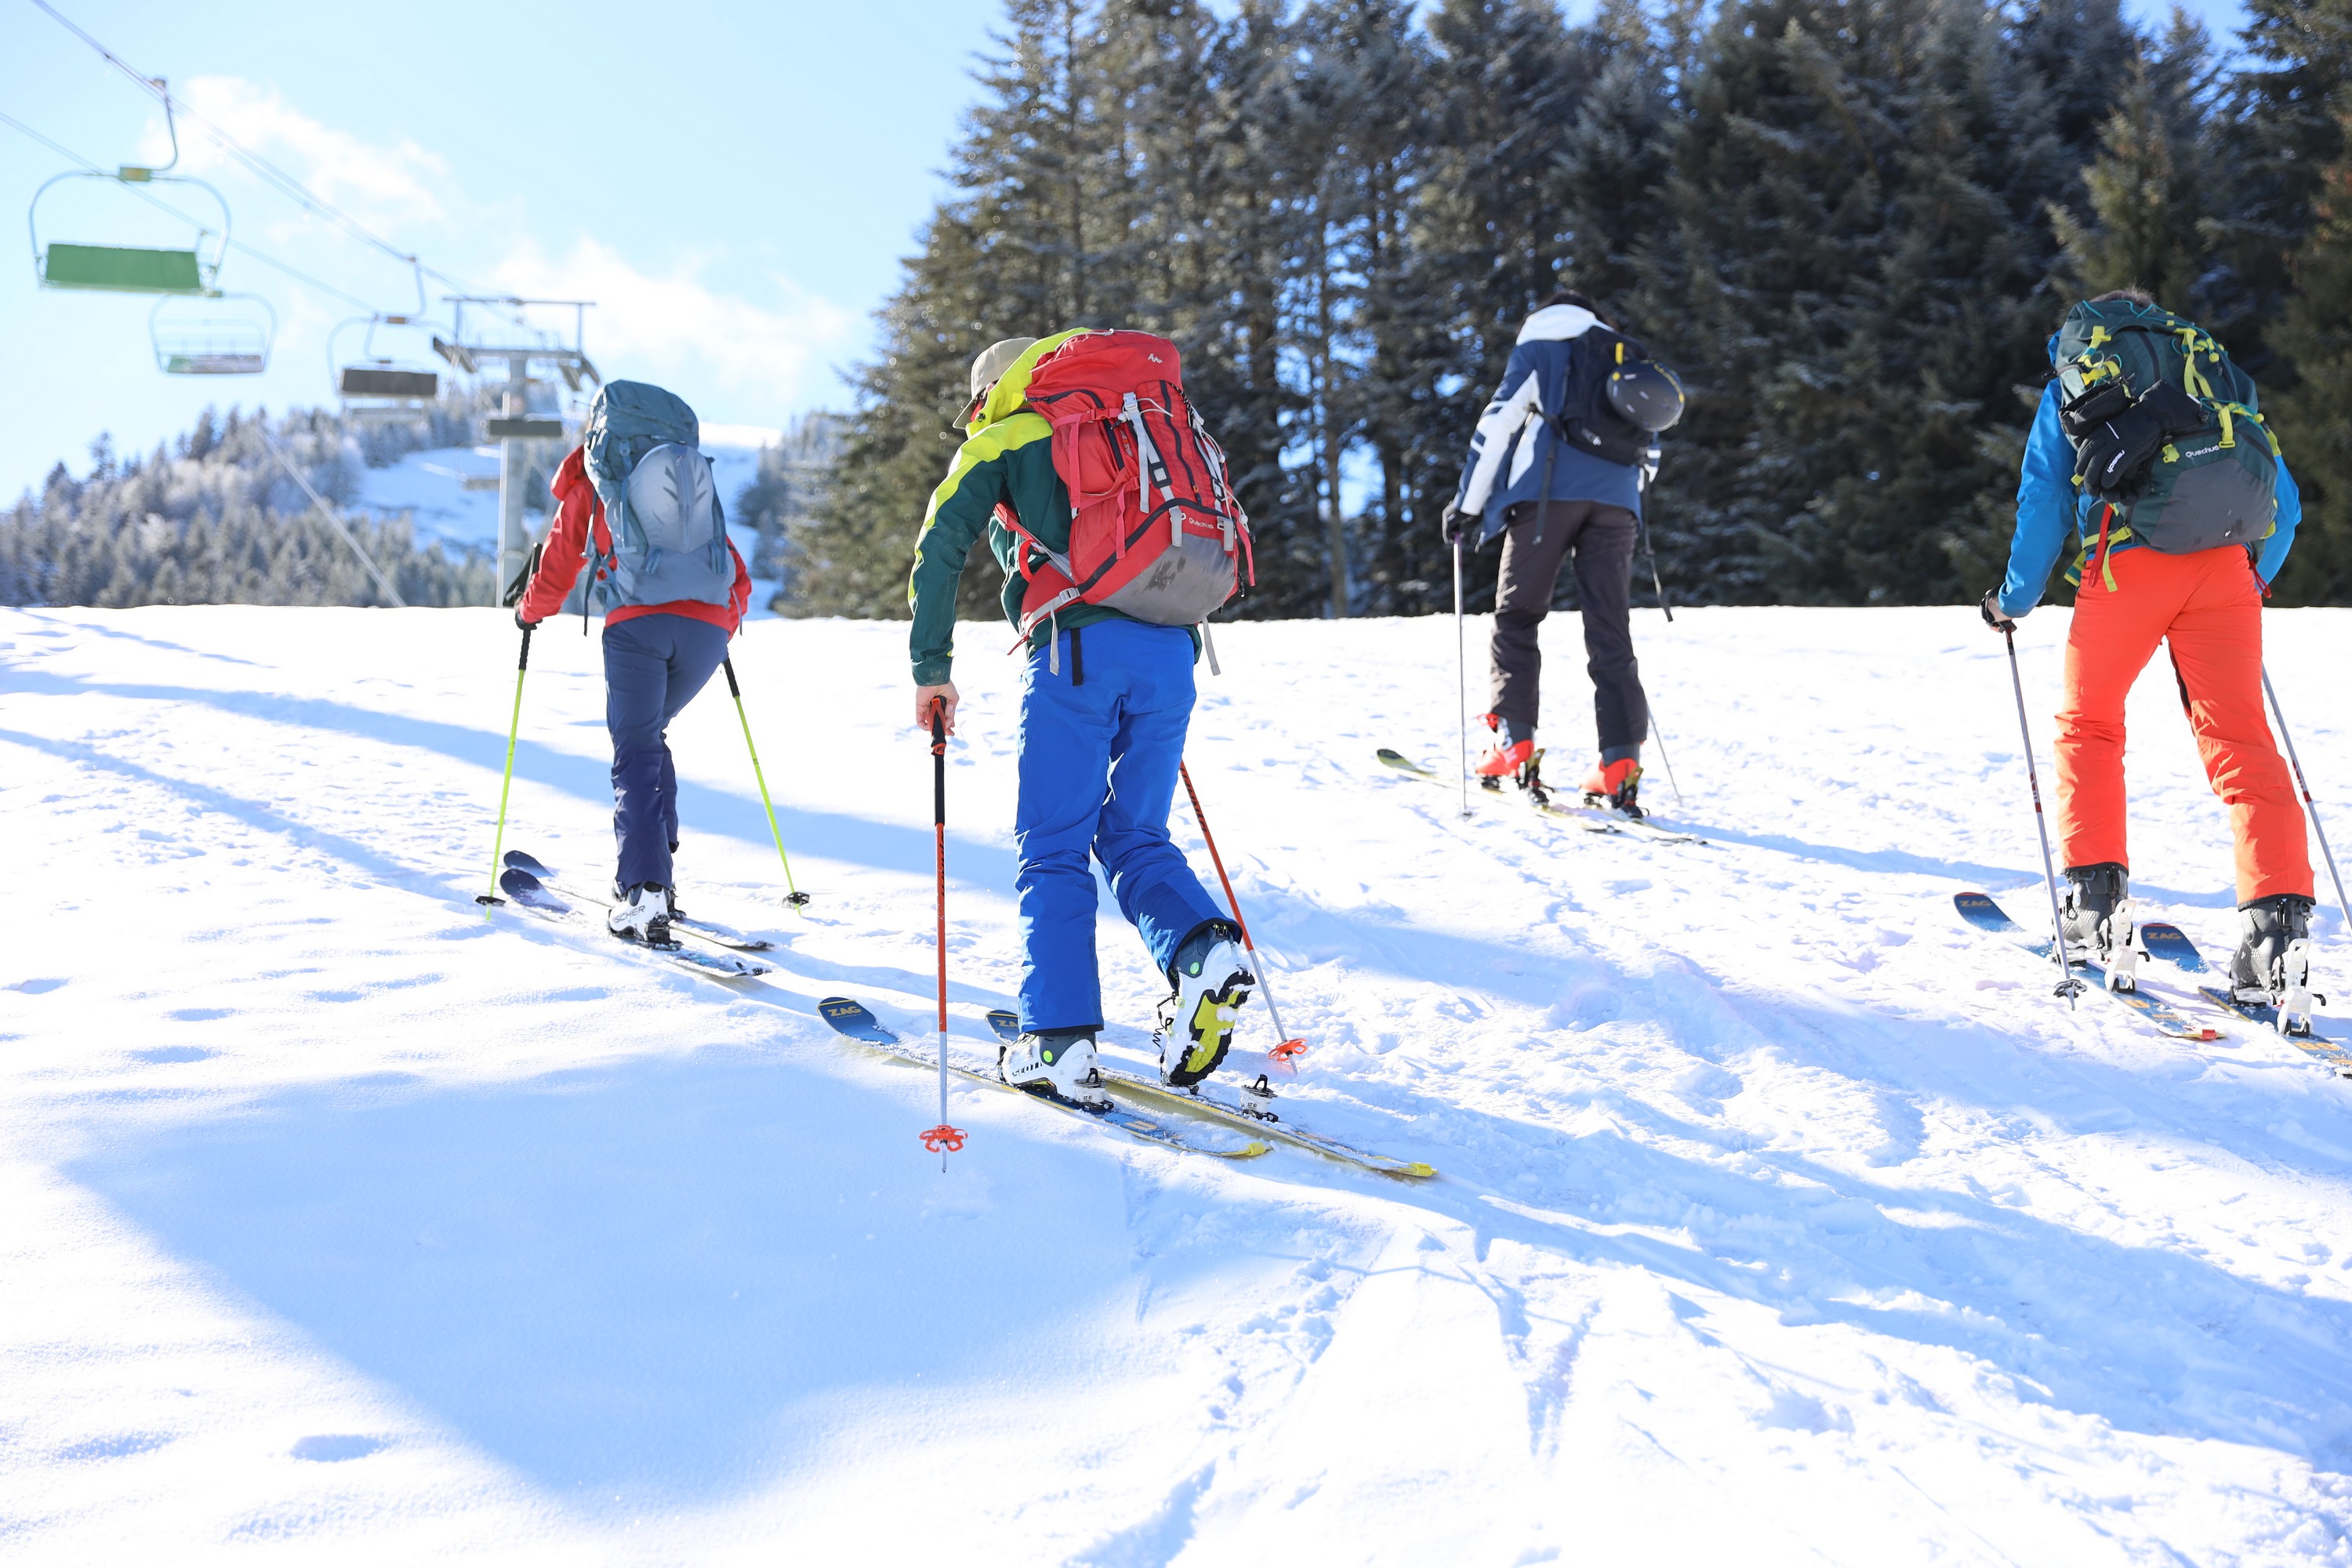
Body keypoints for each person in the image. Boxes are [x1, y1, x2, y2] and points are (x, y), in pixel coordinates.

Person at [906, 332, 1253, 1106]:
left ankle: (1057, 1043)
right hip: (1173, 652)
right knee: (1135, 835)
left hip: (1077, 650)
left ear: (993, 391)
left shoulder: (1014, 430)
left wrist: (932, 667)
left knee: (1053, 846)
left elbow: (939, 542)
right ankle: (1202, 947)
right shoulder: (1140, 417)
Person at [1983, 288, 2314, 1004]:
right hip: (2226, 565)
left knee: (2090, 724)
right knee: (2244, 743)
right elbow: (2281, 501)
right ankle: (2276, 937)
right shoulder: (2213, 371)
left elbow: (2043, 498)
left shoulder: (2077, 382)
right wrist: (2254, 579)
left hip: (2126, 562)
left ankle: (2095, 908)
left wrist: (2012, 601)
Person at [514, 380, 752, 946]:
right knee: (651, 739)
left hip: (637, 629)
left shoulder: (599, 480)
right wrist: (719, 624)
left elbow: (560, 558)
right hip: (707, 633)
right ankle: (659, 882)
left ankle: (644, 894)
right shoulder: (689, 479)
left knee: (637, 748)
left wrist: (529, 613)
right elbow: (737, 572)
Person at [1442, 288, 1677, 815]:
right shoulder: (1626, 355)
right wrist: (1622, 493)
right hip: (1619, 502)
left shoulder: (1541, 349)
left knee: (1518, 617)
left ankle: (1513, 747)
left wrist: (1466, 505)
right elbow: (1652, 441)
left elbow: (1497, 424)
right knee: (1610, 627)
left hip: (1544, 497)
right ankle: (1619, 764)